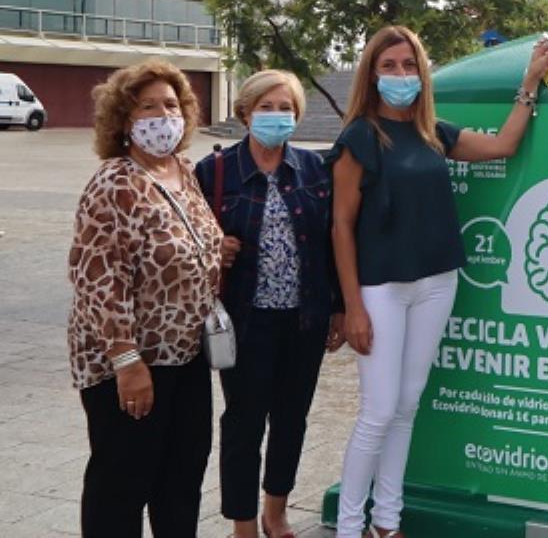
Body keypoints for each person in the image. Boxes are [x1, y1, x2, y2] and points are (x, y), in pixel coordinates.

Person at [332, 26, 548, 538]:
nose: (400, 75)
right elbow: (341, 225)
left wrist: (530, 82)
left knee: (407, 406)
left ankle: (386, 522)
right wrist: (352, 307)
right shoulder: (359, 137)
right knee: (378, 412)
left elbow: (503, 144)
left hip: (437, 282)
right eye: (388, 66)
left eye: (409, 65)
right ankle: (349, 526)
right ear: (371, 73)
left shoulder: (435, 131)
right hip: (380, 288)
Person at [67, 59, 222, 537]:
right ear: (124, 120)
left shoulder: (184, 172)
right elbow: (96, 279)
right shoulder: (115, 181)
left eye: (171, 105)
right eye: (148, 106)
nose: (162, 115)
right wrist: (127, 361)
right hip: (131, 365)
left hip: (187, 356)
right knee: (122, 485)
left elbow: (185, 241)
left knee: (181, 480)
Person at [195, 70, 345, 538]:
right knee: (243, 423)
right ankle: (243, 523)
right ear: (244, 113)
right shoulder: (214, 171)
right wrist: (213, 249)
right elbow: (188, 238)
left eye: (285, 108)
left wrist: (338, 308)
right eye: (266, 107)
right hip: (245, 321)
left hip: (304, 319)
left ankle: (274, 511)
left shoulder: (316, 170)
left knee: (291, 420)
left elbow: (331, 244)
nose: (276, 116)